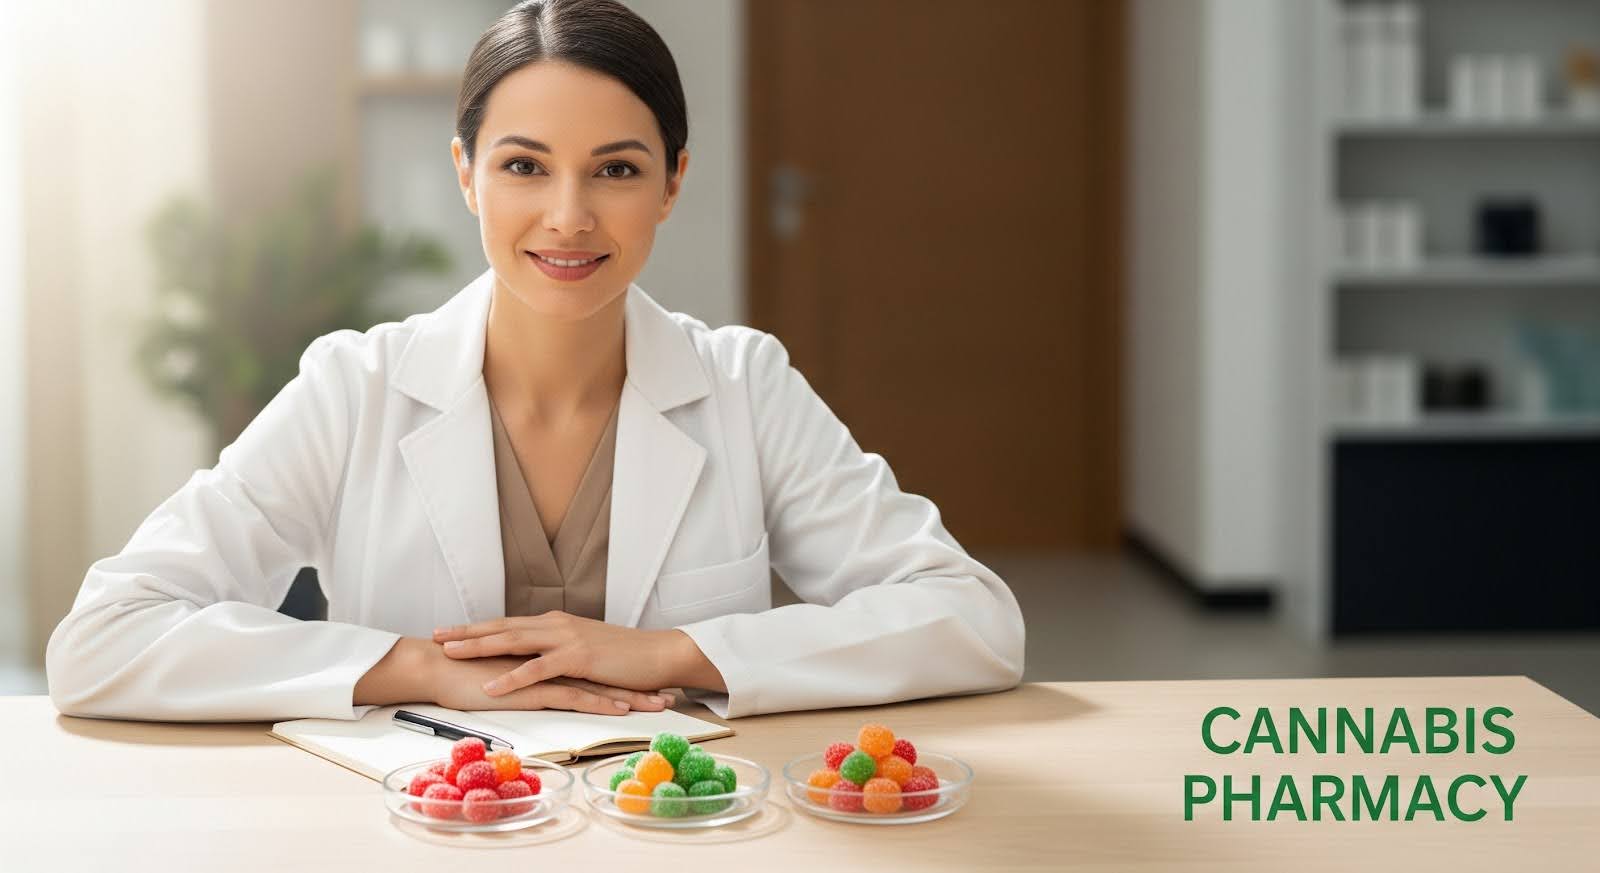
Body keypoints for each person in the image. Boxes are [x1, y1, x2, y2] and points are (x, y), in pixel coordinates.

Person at [45, 0, 1024, 723]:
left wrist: (670, 654)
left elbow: (971, 620)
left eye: (617, 169)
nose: (569, 214)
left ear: (672, 183)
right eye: (523, 166)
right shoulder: (358, 389)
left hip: (676, 832)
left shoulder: (742, 385)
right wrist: (414, 668)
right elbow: (103, 640)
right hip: (423, 831)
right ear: (466, 174)